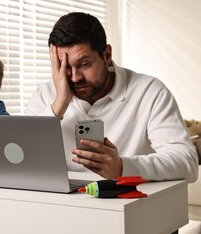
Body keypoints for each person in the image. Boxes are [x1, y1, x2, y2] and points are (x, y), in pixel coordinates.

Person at [25, 12, 198, 183]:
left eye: (84, 64)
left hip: (130, 205)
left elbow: (186, 162)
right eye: (65, 67)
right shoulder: (45, 95)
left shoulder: (150, 91)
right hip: (60, 205)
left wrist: (123, 167)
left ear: (107, 55)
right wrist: (59, 104)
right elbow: (22, 159)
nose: (75, 77)